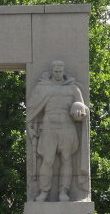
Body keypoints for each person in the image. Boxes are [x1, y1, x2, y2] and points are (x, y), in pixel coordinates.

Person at [27, 60, 89, 202]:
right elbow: (32, 110)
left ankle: (63, 192)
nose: (58, 74)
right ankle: (44, 192)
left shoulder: (73, 89)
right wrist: (30, 128)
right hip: (49, 126)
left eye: (60, 72)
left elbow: (83, 109)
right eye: (55, 71)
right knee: (47, 160)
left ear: (64, 72)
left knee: (67, 159)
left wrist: (79, 108)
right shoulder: (42, 87)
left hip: (67, 127)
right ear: (51, 71)